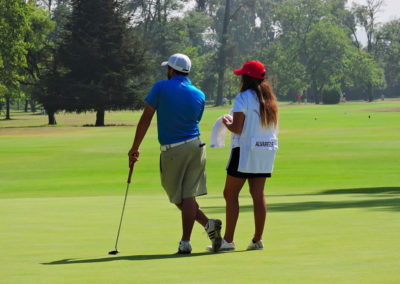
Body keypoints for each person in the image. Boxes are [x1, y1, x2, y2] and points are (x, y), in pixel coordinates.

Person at [128, 53, 222, 254]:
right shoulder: (199, 94)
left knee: (178, 197)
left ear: (171, 70)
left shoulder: (160, 87)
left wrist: (135, 147)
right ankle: (204, 228)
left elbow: (146, 119)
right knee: (188, 196)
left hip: (173, 150)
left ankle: (188, 240)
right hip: (197, 146)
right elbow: (195, 118)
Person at [211, 61, 279, 252]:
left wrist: (226, 121)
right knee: (258, 194)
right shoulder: (270, 100)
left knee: (230, 193)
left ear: (246, 78)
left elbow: (237, 128)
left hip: (245, 150)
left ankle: (228, 241)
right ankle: (257, 240)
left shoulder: (243, 97)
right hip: (266, 150)